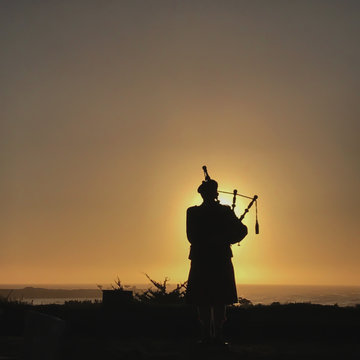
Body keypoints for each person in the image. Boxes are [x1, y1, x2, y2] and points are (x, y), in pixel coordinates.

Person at [186, 178, 248, 345]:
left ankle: (216, 336)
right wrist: (221, 240)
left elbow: (242, 230)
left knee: (218, 299)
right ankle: (209, 335)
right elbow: (191, 236)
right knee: (205, 299)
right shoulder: (194, 212)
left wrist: (223, 239)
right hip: (208, 259)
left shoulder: (222, 211)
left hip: (211, 259)